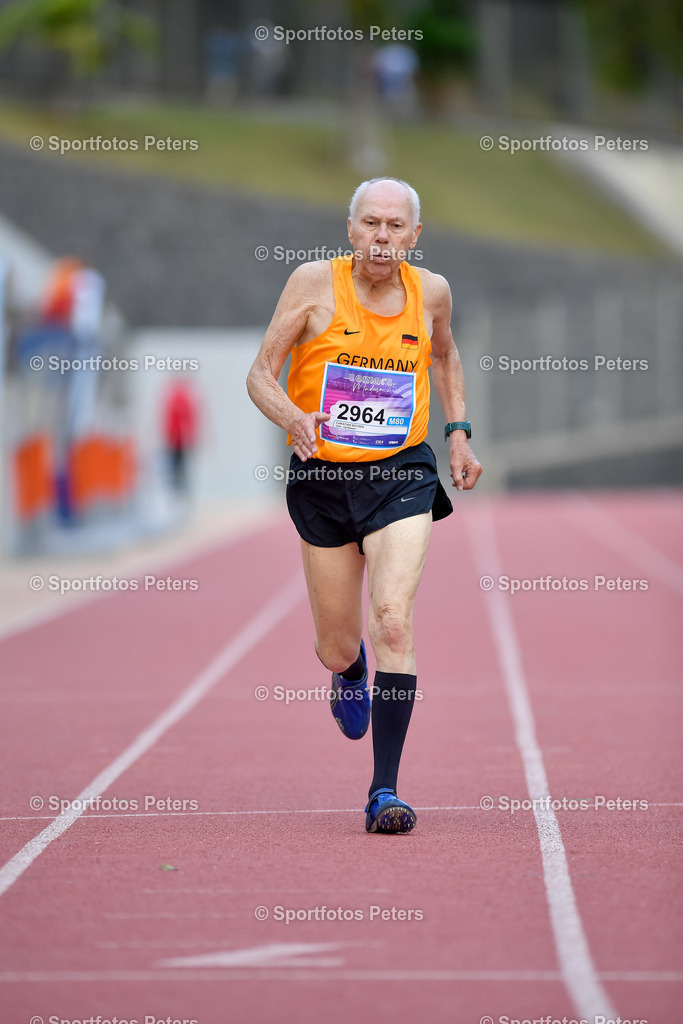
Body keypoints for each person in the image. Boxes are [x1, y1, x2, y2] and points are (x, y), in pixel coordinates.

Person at [247, 177, 482, 834]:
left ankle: (384, 791)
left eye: (395, 226)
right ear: (350, 230)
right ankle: (347, 670)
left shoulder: (430, 292)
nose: (382, 237)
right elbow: (259, 373)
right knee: (337, 643)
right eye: (371, 224)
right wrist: (293, 418)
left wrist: (457, 432)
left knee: (392, 621)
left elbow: (444, 354)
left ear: (414, 235)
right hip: (321, 478)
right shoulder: (311, 284)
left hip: (400, 475)